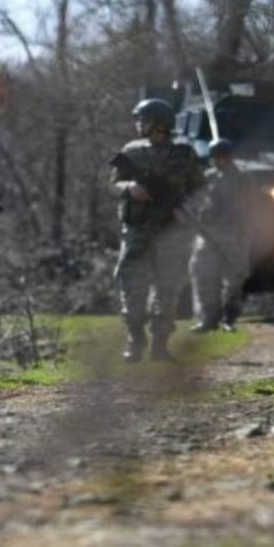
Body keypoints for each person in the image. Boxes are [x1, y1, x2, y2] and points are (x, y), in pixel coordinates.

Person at [110, 98, 206, 362]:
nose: (138, 124)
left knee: (168, 289)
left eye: (142, 119)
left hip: (171, 231)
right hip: (137, 230)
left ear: (158, 123)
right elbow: (112, 184)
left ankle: (160, 344)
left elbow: (200, 188)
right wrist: (129, 188)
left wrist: (186, 207)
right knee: (132, 287)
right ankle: (135, 340)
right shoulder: (131, 151)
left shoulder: (184, 154)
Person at [188, 138, 252, 333]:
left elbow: (248, 205)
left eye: (222, 157)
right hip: (207, 233)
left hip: (233, 233)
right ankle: (208, 319)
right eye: (215, 157)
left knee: (234, 280)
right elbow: (195, 199)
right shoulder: (207, 177)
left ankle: (229, 318)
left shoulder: (241, 178)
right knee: (203, 276)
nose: (218, 161)